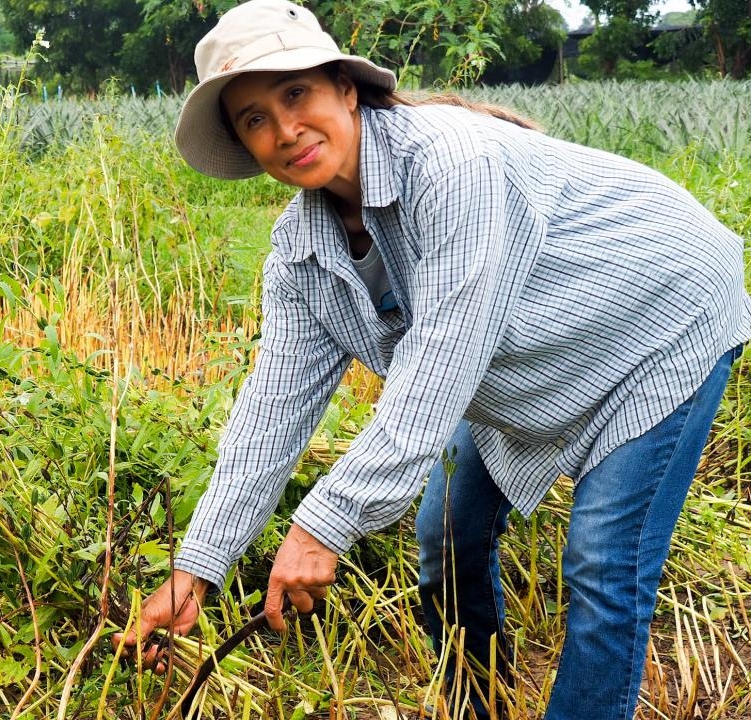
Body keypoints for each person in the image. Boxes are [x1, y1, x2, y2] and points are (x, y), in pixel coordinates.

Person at [110, 1, 751, 718]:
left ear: (345, 88)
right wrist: (196, 570)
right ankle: (476, 702)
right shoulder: (301, 254)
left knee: (604, 562)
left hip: (659, 318)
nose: (286, 130)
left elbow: (440, 364)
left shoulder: (452, 163)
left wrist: (321, 525)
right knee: (446, 530)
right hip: (535, 354)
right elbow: (271, 414)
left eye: (296, 94)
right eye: (254, 118)